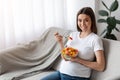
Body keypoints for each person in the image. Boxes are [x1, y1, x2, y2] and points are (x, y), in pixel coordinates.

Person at [41, 7, 105, 80]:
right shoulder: (73, 35)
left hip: (76, 77)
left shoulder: (95, 39)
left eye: (86, 20)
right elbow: (65, 58)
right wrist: (61, 43)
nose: (82, 24)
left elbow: (101, 66)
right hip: (60, 73)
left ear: (92, 21)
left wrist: (77, 59)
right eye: (80, 20)